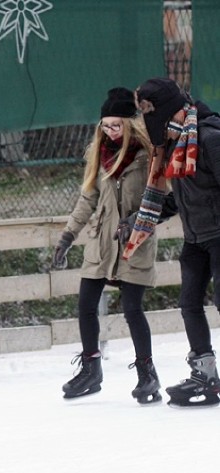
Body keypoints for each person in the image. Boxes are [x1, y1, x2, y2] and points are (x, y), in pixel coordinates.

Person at [53, 87, 161, 404]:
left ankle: (147, 374)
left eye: (117, 125)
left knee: (132, 309)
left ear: (130, 125)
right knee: (86, 305)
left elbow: (161, 202)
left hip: (133, 243)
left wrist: (138, 221)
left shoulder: (148, 156)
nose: (110, 131)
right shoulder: (99, 156)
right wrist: (67, 237)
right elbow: (88, 199)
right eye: (106, 125)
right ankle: (91, 368)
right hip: (101, 242)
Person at [125, 77, 220, 407]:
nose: (159, 134)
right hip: (196, 238)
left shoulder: (208, 139)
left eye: (161, 124)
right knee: (189, 304)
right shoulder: (177, 148)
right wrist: (136, 222)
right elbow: (176, 200)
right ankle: (205, 375)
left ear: (176, 114)